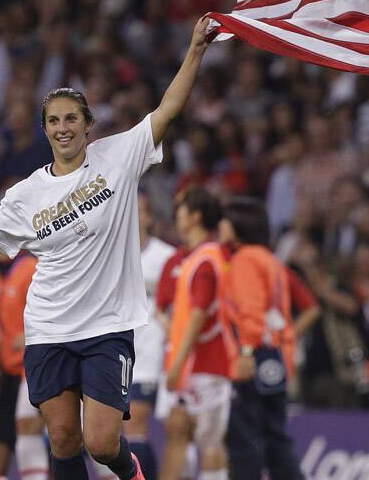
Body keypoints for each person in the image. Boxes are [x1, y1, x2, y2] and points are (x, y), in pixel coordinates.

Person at [0, 15, 215, 480]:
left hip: (108, 326)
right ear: (45, 130)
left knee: (100, 442)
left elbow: (169, 108)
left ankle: (127, 470)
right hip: (49, 326)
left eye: (72, 118)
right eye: (54, 121)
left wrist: (195, 49)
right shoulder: (26, 194)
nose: (63, 127)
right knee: (65, 439)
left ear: (88, 125)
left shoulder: (119, 157)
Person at [221, 197, 304, 480]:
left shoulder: (244, 259)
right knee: (274, 437)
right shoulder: (270, 259)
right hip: (277, 356)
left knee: (245, 439)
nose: (221, 225)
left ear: (239, 225)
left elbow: (251, 312)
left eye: (226, 220)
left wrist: (245, 352)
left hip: (254, 356)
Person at [163, 186, 231, 480]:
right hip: (197, 364)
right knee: (179, 427)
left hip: (210, 363)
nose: (176, 216)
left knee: (210, 440)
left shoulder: (206, 260)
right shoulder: (197, 258)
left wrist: (178, 361)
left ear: (195, 216)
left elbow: (199, 314)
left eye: (181, 210)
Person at [125, 193, 176, 480]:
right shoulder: (113, 252)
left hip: (152, 351)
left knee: (136, 425)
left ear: (149, 217)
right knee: (121, 432)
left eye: (139, 210)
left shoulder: (165, 255)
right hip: (119, 349)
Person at [0, 248, 48, 480]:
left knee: (31, 425)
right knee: (7, 435)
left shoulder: (31, 267)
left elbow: (51, 306)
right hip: (10, 369)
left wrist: (31, 333)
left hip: (34, 364)